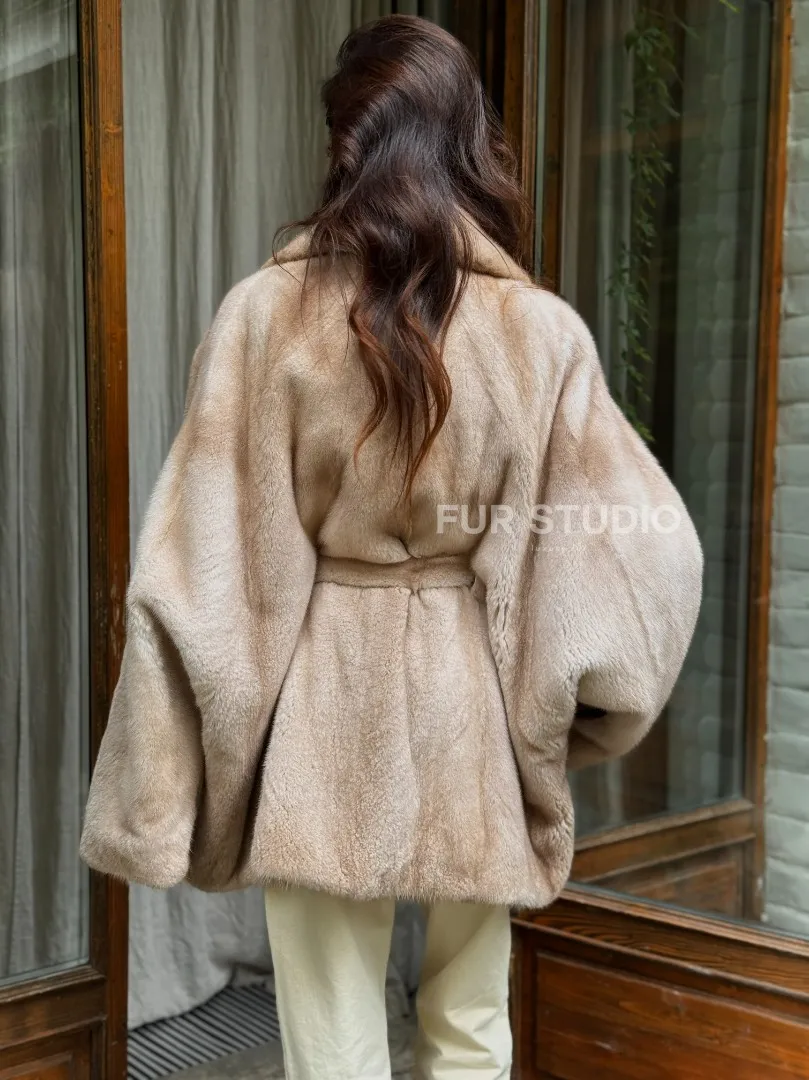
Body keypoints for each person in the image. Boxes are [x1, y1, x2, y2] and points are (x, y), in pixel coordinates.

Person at [80, 14, 703, 1080]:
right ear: (469, 140)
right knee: (470, 1020)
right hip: (473, 703)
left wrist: (181, 763)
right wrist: (584, 701)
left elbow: (211, 566)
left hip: (326, 710)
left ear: (345, 140)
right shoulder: (539, 333)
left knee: (330, 1034)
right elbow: (637, 546)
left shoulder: (266, 318)